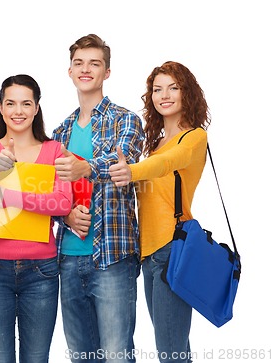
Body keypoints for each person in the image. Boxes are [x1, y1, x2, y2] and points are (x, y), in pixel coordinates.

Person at [52, 34, 144, 363]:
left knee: (118, 356)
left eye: (94, 63)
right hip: (68, 258)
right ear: (70, 71)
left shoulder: (126, 120)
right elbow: (48, 193)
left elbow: (125, 163)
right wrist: (63, 217)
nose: (85, 69)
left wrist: (85, 167)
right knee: (82, 357)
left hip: (113, 258)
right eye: (79, 63)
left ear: (107, 72)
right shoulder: (60, 132)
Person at [109, 61, 210, 363]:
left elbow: (168, 162)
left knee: (170, 351)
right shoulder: (153, 145)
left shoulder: (193, 138)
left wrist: (133, 171)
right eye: (157, 89)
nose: (164, 95)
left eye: (173, 87)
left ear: (186, 93)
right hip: (149, 254)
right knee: (173, 348)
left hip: (172, 250)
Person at [0, 74, 73, 363]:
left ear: (36, 108)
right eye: (11, 103)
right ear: (1, 108)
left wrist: (12, 198)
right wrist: (1, 162)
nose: (18, 111)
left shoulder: (55, 150)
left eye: (26, 103)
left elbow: (62, 203)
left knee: (36, 358)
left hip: (41, 270)